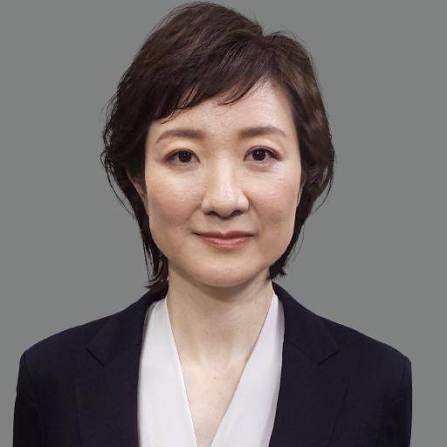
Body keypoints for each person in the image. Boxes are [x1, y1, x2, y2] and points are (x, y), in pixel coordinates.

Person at [13, 2, 412, 446]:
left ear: (305, 176)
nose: (224, 199)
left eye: (260, 154)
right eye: (183, 156)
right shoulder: (53, 378)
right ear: (139, 182)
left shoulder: (376, 382)